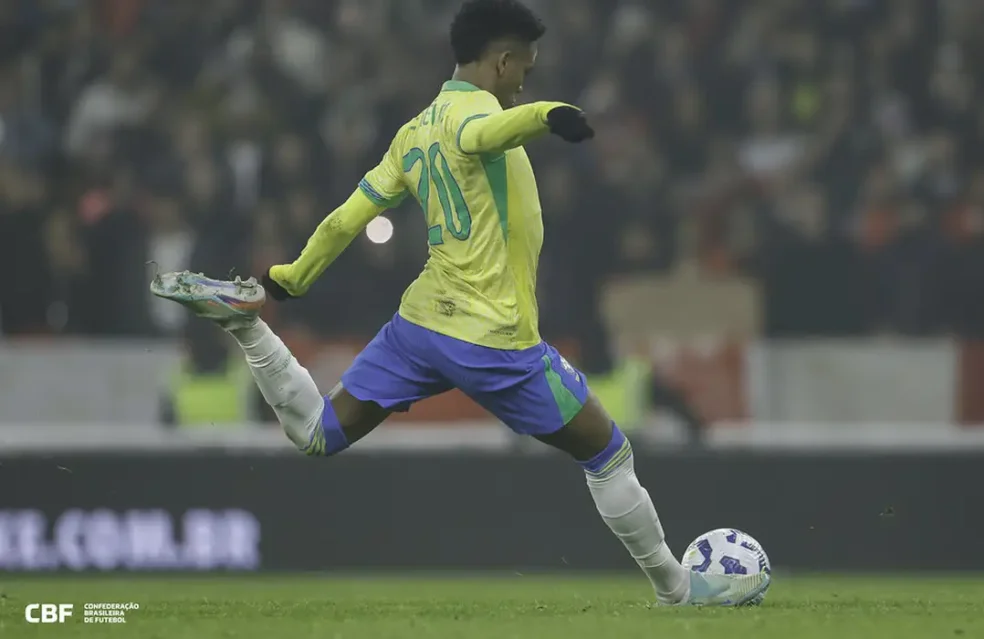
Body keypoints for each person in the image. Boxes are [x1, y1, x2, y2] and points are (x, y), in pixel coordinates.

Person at [150, 0, 766, 607]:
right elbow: (486, 134)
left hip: (419, 326)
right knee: (608, 452)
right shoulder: (478, 116)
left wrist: (288, 279)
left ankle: (248, 326)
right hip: (494, 337)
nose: (524, 82)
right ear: (501, 61)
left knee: (317, 433)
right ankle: (676, 590)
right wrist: (550, 115)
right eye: (525, 69)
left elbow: (345, 219)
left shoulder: (412, 133)